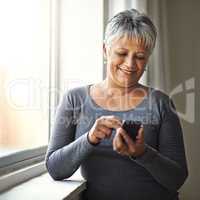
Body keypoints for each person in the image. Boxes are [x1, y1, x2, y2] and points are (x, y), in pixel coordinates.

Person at [45, 9, 188, 200]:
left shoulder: (161, 103)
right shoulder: (74, 100)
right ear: (105, 50)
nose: (130, 64)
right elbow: (55, 168)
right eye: (122, 53)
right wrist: (90, 139)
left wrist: (142, 153)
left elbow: (177, 178)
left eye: (140, 56)